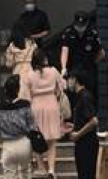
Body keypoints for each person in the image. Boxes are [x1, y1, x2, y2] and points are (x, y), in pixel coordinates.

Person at [25, 49, 65, 178]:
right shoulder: (53, 71)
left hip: (36, 105)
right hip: (51, 104)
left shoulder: (30, 75)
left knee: (37, 138)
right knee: (52, 140)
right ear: (45, 59)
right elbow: (62, 87)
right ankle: (51, 169)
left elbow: (27, 93)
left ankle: (41, 167)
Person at [0, 74, 37, 179]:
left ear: (5, 90)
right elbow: (32, 125)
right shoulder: (25, 104)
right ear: (18, 90)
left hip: (8, 144)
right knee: (25, 173)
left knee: (9, 173)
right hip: (24, 142)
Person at [59, 11, 104, 96]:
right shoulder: (68, 32)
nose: (80, 27)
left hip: (88, 69)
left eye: (82, 25)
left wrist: (94, 62)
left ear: (87, 23)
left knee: (90, 93)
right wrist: (63, 67)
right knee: (72, 93)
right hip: (73, 68)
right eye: (78, 25)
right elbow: (64, 50)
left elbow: (101, 52)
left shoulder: (93, 33)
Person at [66, 70, 99, 179]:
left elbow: (93, 121)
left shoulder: (85, 97)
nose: (68, 82)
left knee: (86, 174)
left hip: (87, 143)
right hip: (82, 143)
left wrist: (78, 134)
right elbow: (85, 120)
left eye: (69, 79)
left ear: (75, 79)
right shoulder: (80, 96)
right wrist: (73, 126)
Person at [4, 22, 37, 101]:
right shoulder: (32, 43)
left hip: (17, 71)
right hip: (30, 70)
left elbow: (9, 64)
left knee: (18, 93)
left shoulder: (12, 45)